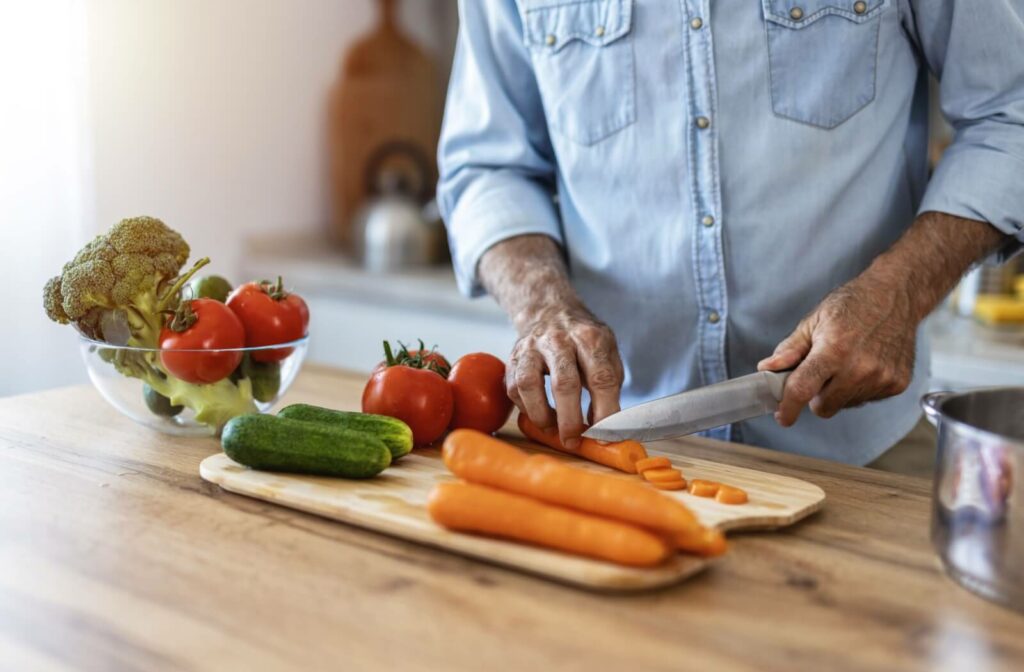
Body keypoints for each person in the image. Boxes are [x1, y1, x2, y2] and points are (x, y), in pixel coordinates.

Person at [437, 0, 1024, 465]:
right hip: (614, 453)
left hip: (862, 450)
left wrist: (897, 293)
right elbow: (488, 166)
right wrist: (544, 308)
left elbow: (1010, 116)